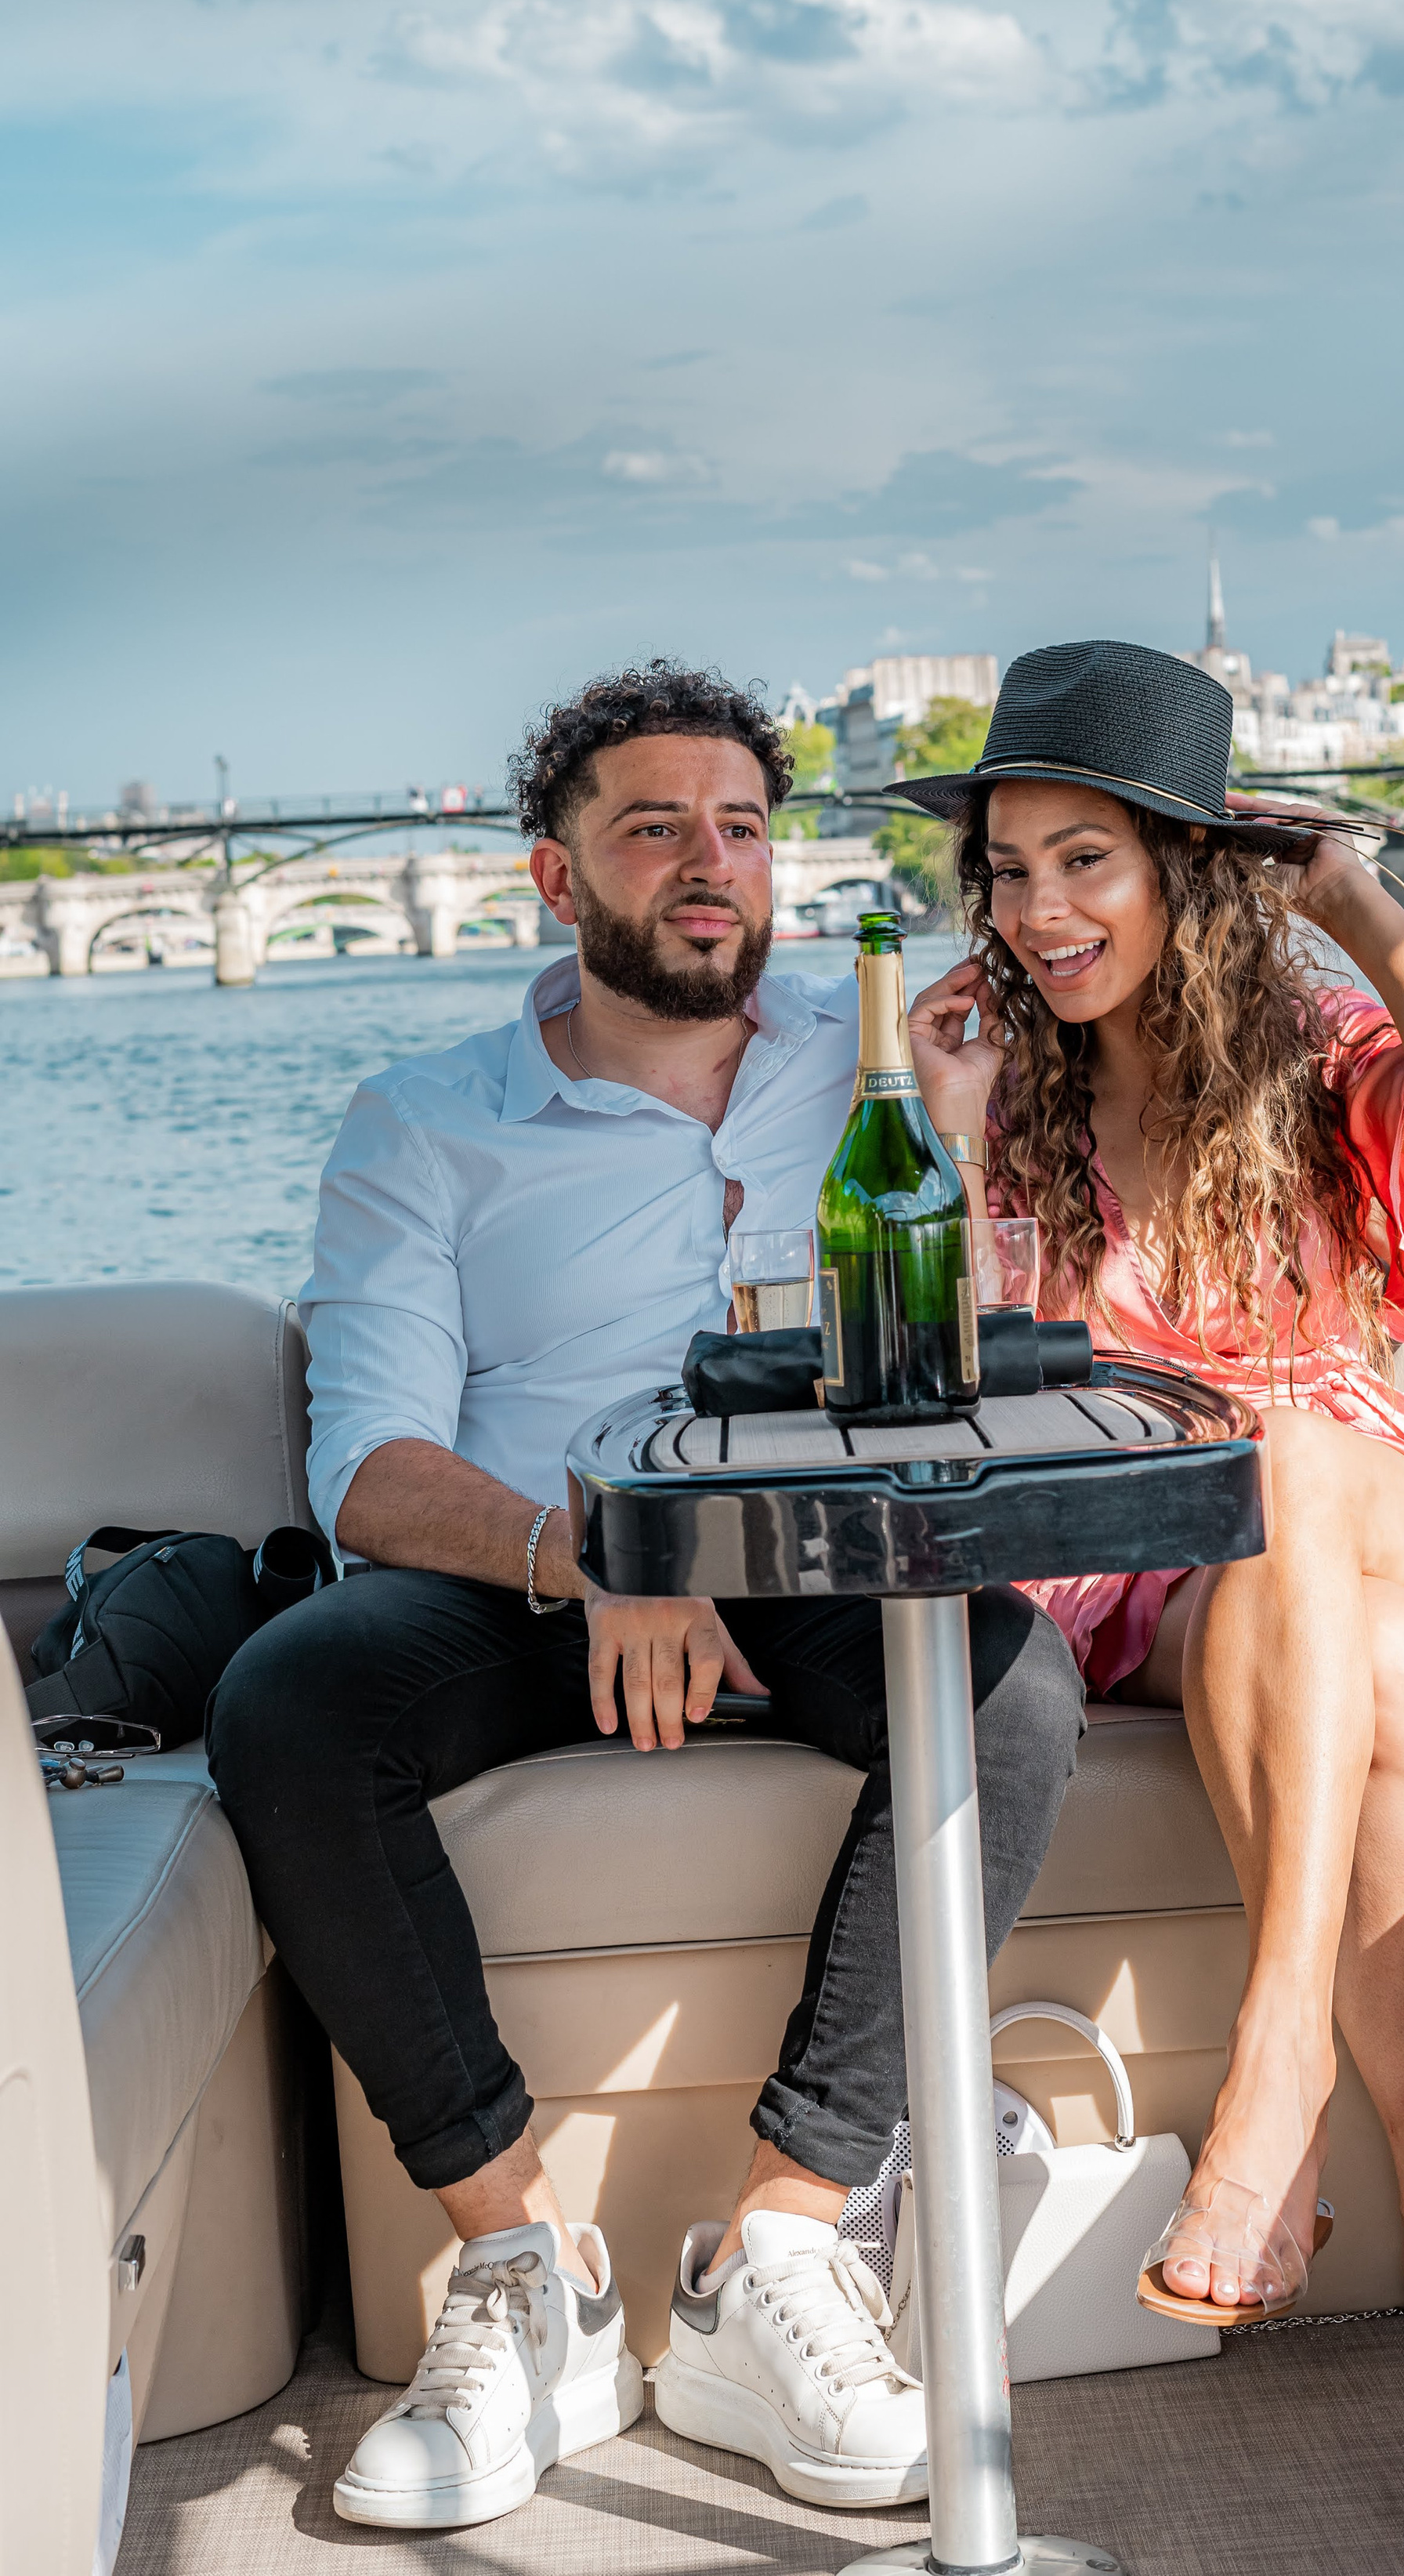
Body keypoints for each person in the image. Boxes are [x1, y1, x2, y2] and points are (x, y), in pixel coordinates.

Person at [208, 661, 1085, 2533]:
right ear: (553, 876)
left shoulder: (860, 1077)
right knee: (292, 1700)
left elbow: (951, 1353)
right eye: (654, 827)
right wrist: (598, 1550)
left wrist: (944, 1117)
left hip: (810, 1561)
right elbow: (362, 1462)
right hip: (534, 1568)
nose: (712, 864)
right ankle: (525, 2273)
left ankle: (771, 2249)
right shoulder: (425, 1121)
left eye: (745, 827)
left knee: (1008, 1676)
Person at [899, 639, 1404, 2408]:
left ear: (1186, 870)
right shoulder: (1005, 1094)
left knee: (1289, 1439)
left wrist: (1350, 894)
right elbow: (957, 1389)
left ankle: (1274, 2071)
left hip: (1362, 1493)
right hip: (1155, 1563)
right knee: (1392, 1685)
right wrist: (946, 1145)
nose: (1034, 910)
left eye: (1083, 859)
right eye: (1008, 870)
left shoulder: (1311, 1046)